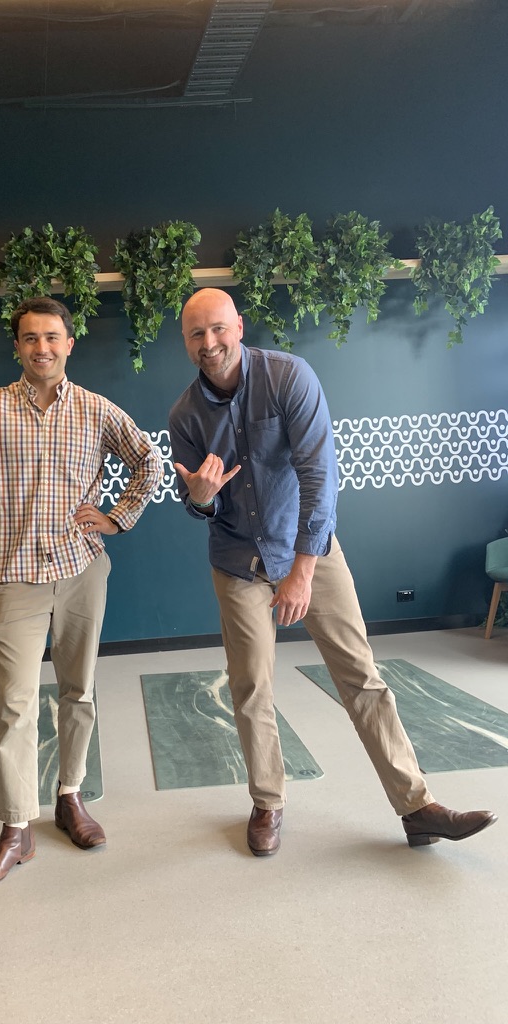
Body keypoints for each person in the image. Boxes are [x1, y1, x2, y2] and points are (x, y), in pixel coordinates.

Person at [168, 287, 497, 857]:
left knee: (361, 677)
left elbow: (319, 474)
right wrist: (199, 498)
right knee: (250, 687)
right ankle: (267, 803)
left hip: (310, 549)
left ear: (239, 326)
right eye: (197, 333)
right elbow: (201, 504)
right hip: (238, 562)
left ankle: (417, 807)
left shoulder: (288, 377)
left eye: (218, 328)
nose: (209, 342)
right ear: (186, 342)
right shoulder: (185, 415)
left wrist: (302, 569)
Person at [0, 296, 162, 892]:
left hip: (81, 569)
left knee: (78, 691)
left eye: (51, 337)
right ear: (17, 347)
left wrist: (117, 518)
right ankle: (16, 831)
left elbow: (148, 462)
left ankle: (70, 797)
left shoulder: (96, 410)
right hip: (16, 578)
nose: (41, 347)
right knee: (15, 705)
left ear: (69, 344)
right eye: (29, 338)